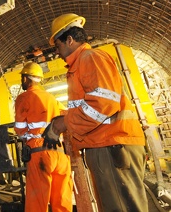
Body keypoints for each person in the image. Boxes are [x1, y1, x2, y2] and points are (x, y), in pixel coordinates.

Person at [45, 13, 148, 211]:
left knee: (119, 207)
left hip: (112, 145)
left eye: (57, 46)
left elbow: (102, 104)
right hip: (106, 145)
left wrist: (63, 123)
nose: (57, 52)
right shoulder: (81, 64)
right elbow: (92, 104)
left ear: (69, 39)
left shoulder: (89, 58)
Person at [14, 62, 73, 212]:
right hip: (60, 154)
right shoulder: (52, 98)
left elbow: (20, 129)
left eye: (22, 78)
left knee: (37, 202)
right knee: (62, 201)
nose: (22, 82)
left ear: (26, 79)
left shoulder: (24, 97)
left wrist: (26, 137)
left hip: (40, 153)